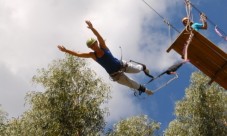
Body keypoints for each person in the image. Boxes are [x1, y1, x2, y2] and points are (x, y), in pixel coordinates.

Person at [57, 20, 153, 96]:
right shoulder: (92, 55)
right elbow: (78, 54)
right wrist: (66, 51)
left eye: (94, 44)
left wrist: (92, 28)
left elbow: (99, 37)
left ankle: (144, 68)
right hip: (116, 75)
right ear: (91, 48)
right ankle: (146, 90)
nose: (94, 46)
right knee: (131, 83)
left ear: (96, 43)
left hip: (122, 65)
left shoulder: (103, 46)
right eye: (92, 46)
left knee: (137, 70)